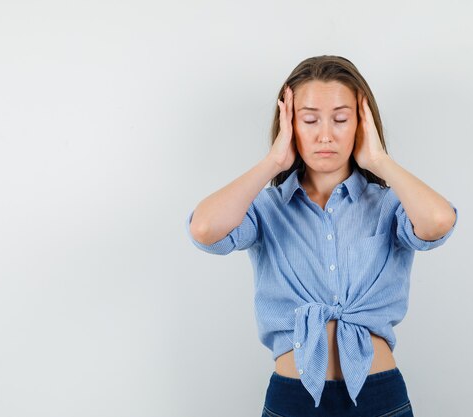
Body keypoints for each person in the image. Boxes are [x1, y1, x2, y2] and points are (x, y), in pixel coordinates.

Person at [185, 55, 458, 417]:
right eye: (309, 119)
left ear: (362, 124)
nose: (325, 134)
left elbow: (439, 221)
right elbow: (204, 230)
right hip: (292, 399)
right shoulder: (265, 208)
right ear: (289, 125)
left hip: (378, 397)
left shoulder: (389, 205)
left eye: (341, 119)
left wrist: (377, 159)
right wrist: (273, 162)